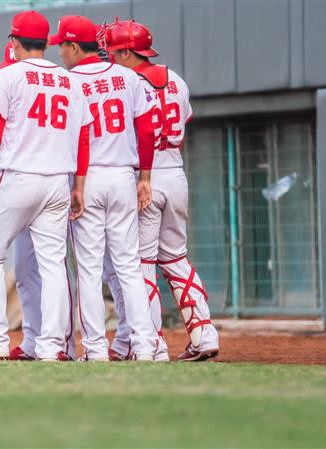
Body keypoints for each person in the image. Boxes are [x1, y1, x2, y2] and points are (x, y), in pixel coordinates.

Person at [0, 11, 92, 361]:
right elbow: (82, 137)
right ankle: (51, 345)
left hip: (18, 177)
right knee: (53, 265)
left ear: (14, 42)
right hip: (57, 184)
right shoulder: (71, 81)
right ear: (48, 43)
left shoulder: (9, 74)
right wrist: (78, 185)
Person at [104, 19, 219, 362]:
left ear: (127, 52)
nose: (108, 57)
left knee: (142, 264)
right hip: (175, 173)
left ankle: (151, 340)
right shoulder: (178, 81)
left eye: (112, 51)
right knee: (176, 258)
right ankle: (204, 332)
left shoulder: (125, 82)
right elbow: (182, 122)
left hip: (145, 178)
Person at [53, 15, 159, 361]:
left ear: (72, 46)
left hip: (85, 179)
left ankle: (96, 349)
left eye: (62, 47)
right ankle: (145, 346)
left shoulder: (66, 82)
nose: (60, 54)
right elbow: (145, 131)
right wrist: (145, 177)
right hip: (123, 176)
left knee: (88, 269)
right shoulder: (128, 76)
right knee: (129, 267)